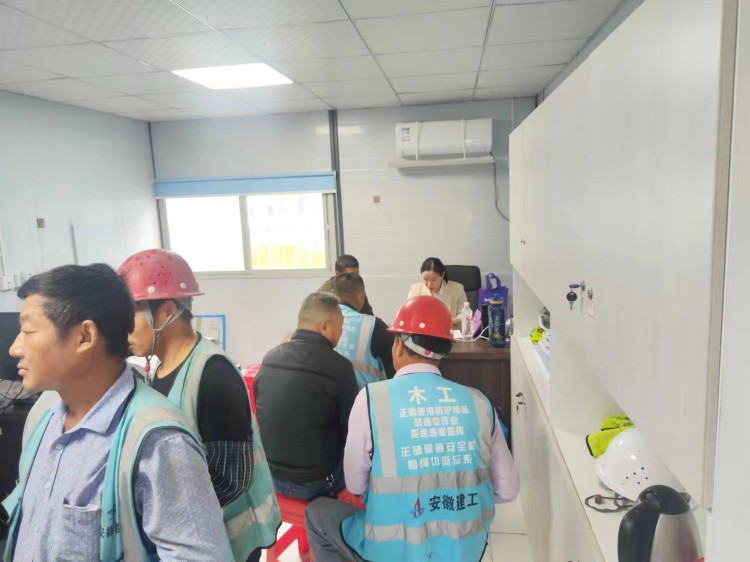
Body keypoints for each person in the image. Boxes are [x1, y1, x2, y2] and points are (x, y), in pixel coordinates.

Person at [1, 264, 230, 561]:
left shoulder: (158, 443)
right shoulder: (44, 415)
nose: (15, 348)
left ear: (85, 336)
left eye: (28, 330)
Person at [305, 295, 519, 562]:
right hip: (466, 553)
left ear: (398, 346)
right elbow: (508, 490)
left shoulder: (372, 399)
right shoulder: (479, 403)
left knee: (316, 514)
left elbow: (355, 484)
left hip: (390, 552)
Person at [117, 249, 280, 562]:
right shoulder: (157, 367)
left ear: (165, 312)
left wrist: (164, 517)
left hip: (231, 538)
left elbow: (230, 477)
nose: (124, 331)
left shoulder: (214, 373)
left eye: (130, 317)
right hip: (191, 537)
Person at [254, 292, 359, 500]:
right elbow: (353, 431)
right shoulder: (339, 367)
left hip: (271, 475)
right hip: (317, 482)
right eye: (341, 325)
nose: (341, 332)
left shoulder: (270, 358)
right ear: (325, 327)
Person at [332, 272, 394, 388]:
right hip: (366, 395)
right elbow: (394, 361)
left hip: (328, 393)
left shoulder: (322, 320)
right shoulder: (372, 325)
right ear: (361, 297)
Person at [407, 257, 468, 328]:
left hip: (449, 330)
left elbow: (464, 314)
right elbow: (408, 313)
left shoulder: (457, 289)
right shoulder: (415, 289)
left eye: (433, 280)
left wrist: (449, 321)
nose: (429, 284)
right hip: (423, 331)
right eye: (425, 279)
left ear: (442, 275)